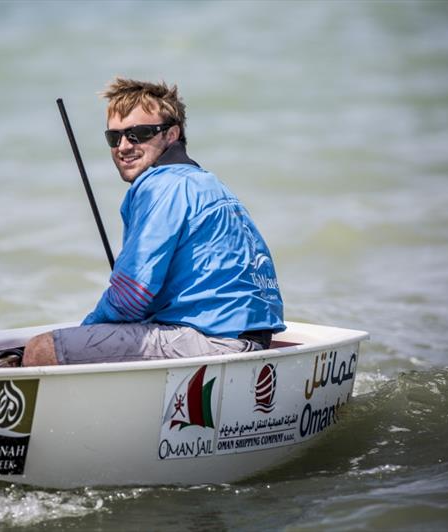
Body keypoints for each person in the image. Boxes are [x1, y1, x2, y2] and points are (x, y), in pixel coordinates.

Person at [22, 77, 284, 366]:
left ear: (171, 135)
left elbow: (132, 296)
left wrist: (87, 329)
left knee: (41, 350)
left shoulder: (159, 186)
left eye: (138, 134)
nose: (123, 146)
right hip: (253, 340)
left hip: (216, 343)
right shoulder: (206, 182)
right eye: (114, 137)